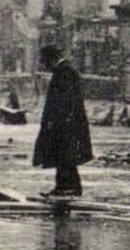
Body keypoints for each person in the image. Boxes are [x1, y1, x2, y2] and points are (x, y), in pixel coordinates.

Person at [32, 42, 93, 198]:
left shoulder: (64, 71)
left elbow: (64, 100)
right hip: (67, 122)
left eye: (45, 62)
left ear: (51, 59)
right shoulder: (64, 69)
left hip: (66, 123)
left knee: (64, 155)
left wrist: (55, 120)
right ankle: (66, 187)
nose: (45, 66)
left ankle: (67, 188)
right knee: (65, 155)